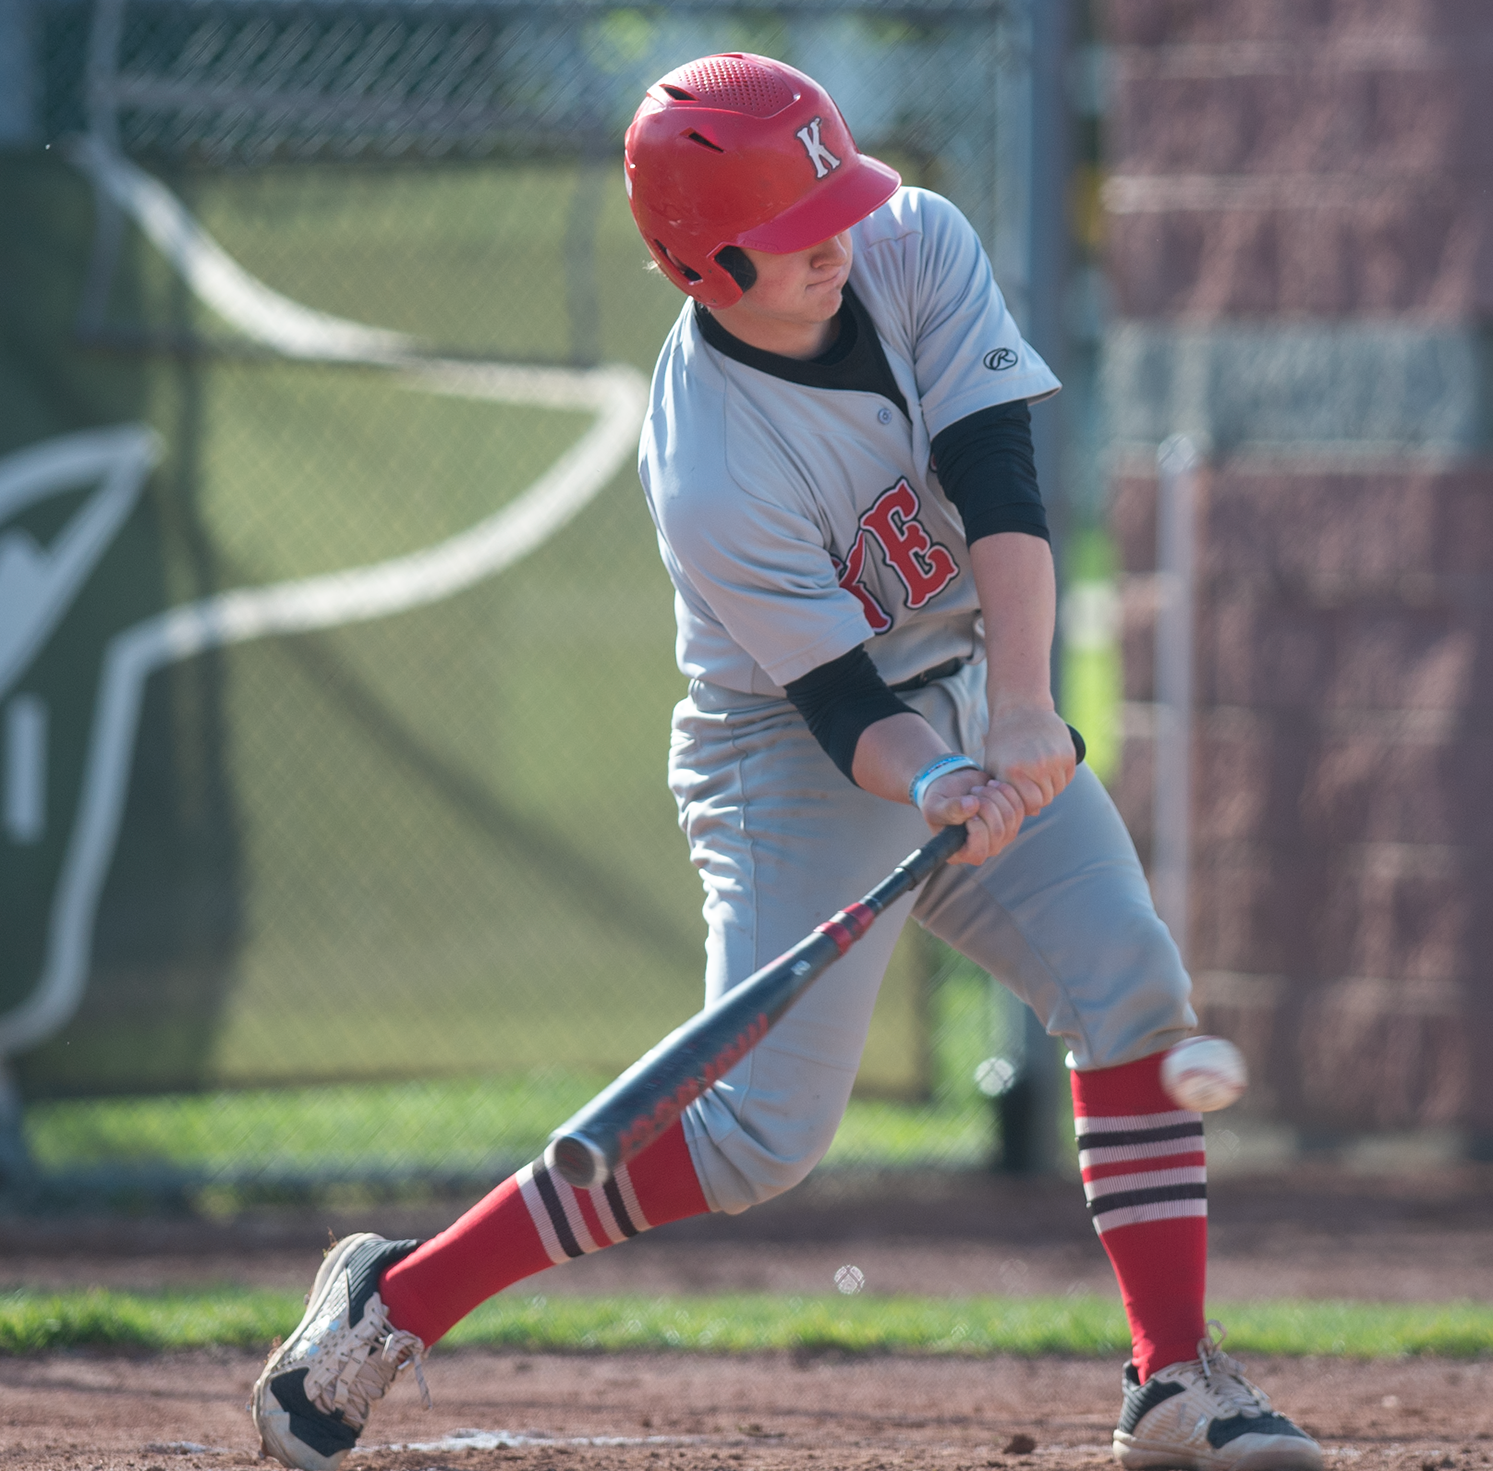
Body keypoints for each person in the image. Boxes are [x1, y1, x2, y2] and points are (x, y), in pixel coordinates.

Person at [251, 53, 1323, 1471]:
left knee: (1131, 985)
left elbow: (1001, 477)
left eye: (838, 196)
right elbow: (832, 705)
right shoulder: (710, 463)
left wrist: (1015, 710)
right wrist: (933, 779)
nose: (837, 234)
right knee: (761, 1139)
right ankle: (398, 1295)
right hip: (793, 750)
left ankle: (1171, 1379)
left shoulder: (911, 242)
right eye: (795, 221)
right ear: (704, 261)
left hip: (967, 679)